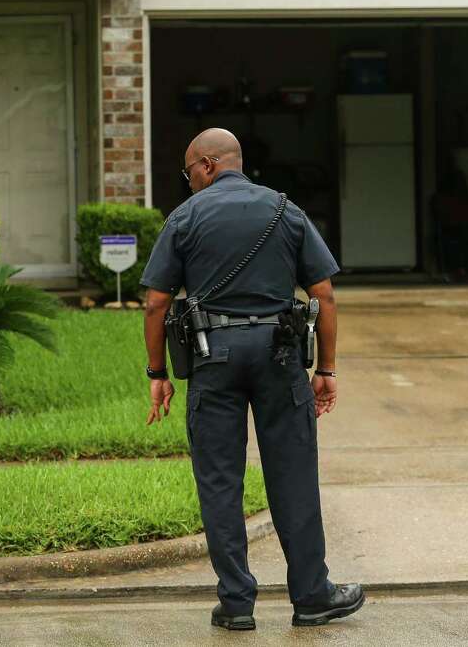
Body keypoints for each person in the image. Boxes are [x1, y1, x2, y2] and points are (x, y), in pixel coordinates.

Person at [140, 128, 364, 631]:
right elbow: (323, 295)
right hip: (280, 357)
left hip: (211, 358)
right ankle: (312, 596)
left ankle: (237, 602)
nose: (190, 183)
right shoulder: (286, 211)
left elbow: (156, 303)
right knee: (294, 475)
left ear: (208, 165)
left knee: (221, 480)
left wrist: (158, 373)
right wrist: (325, 369)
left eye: (188, 173)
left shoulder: (185, 217)